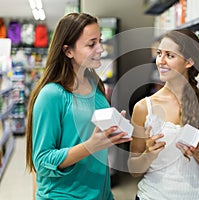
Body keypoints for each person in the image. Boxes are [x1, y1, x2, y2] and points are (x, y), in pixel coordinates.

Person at [25, 13, 132, 200]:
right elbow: (41, 162)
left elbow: (90, 135)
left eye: (100, 41)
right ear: (68, 51)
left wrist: (115, 129)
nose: (100, 48)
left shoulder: (95, 85)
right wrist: (90, 146)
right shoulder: (51, 95)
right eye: (91, 44)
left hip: (101, 193)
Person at [128, 29, 199, 200]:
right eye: (159, 54)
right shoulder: (144, 107)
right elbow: (133, 169)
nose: (160, 61)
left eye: (169, 56)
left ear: (188, 62)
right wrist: (149, 154)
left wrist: (198, 152)